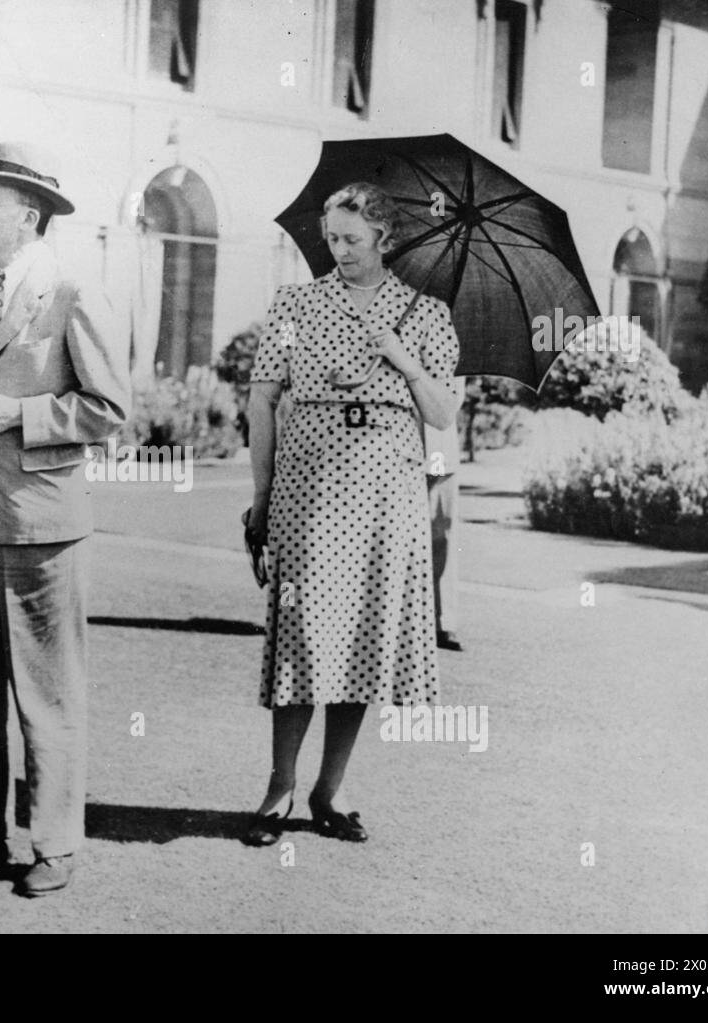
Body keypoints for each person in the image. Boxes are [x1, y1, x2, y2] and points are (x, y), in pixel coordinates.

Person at [0, 142, 129, 896]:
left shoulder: (74, 290)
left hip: (43, 517)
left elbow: (109, 411)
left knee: (48, 686)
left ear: (29, 214)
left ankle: (54, 843)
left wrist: (15, 412)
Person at [242, 182, 461, 847]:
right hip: (309, 493)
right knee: (304, 635)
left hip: (386, 498)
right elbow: (260, 403)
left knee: (362, 639)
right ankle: (279, 788)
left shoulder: (424, 313)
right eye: (331, 238)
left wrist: (396, 353)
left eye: (352, 240)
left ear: (385, 240)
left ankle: (328, 791)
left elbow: (445, 415)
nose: (337, 250)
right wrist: (261, 496)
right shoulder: (296, 303)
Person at [423, 414, 464, 651]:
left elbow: (452, 400)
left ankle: (442, 622)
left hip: (438, 453)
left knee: (441, 536)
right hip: (393, 451)